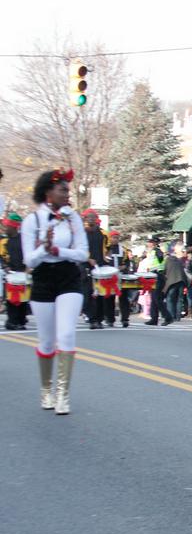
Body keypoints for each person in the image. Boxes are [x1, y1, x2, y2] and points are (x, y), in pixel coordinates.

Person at [22, 169, 89, 414]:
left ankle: (63, 395)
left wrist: (59, 251)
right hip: (42, 280)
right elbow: (30, 260)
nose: (67, 194)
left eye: (68, 191)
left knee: (67, 335)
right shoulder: (33, 220)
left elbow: (82, 253)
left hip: (69, 278)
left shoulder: (73, 219)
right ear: (48, 192)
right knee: (47, 341)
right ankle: (46, 390)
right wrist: (45, 248)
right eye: (63, 190)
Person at [82, 210, 107, 329]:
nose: (91, 219)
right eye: (89, 217)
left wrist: (106, 259)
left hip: (100, 266)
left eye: (93, 217)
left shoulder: (102, 233)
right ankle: (92, 319)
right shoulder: (81, 233)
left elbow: (107, 249)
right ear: (85, 218)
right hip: (85, 266)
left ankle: (99, 319)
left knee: (100, 294)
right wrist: (88, 259)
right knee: (88, 294)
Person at [3, 213, 28, 330]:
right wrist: (5, 266)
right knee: (11, 300)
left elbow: (29, 254)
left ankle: (21, 321)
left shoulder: (24, 240)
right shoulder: (4, 242)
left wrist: (29, 267)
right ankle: (12, 321)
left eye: (7, 226)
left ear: (13, 227)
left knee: (23, 300)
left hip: (23, 274)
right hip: (11, 275)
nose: (5, 228)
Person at [143, 236, 170, 326]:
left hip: (158, 276)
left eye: (150, 242)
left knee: (157, 299)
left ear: (154, 243)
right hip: (152, 276)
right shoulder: (151, 252)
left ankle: (168, 317)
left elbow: (160, 260)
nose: (149, 243)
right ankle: (154, 319)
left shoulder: (157, 251)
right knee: (154, 299)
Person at [164, 242, 188, 323]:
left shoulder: (168, 260)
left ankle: (171, 315)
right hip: (181, 281)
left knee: (170, 299)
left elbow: (165, 270)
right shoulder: (179, 261)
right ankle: (178, 317)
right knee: (179, 299)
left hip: (171, 282)